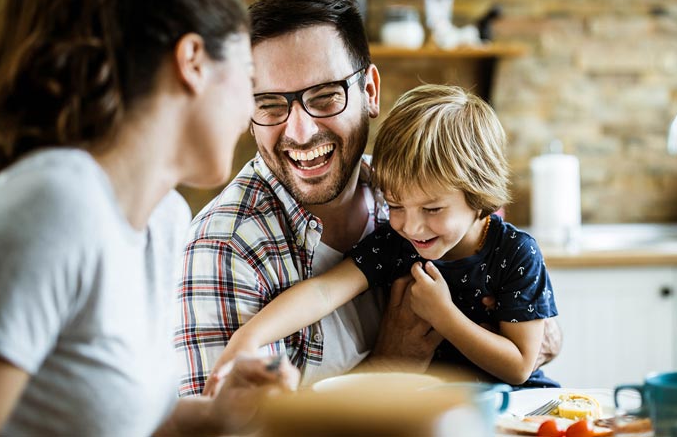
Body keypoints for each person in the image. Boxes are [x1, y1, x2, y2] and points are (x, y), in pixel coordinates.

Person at [176, 0, 562, 396]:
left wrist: (520, 324)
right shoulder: (225, 248)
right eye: (269, 104)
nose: (301, 132)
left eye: (325, 97)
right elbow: (235, 426)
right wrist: (394, 365)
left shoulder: (404, 189)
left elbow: (528, 351)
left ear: (370, 92)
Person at [0, 0, 298, 436]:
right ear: (193, 61)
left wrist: (217, 416)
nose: (250, 107)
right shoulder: (55, 207)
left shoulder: (163, 221)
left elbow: (119, 420)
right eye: (249, 75)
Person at [211, 84, 560, 388]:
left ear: (480, 196)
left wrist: (443, 315)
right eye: (395, 205)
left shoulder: (515, 252)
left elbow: (518, 367)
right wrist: (249, 337)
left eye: (433, 209)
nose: (411, 227)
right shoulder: (396, 245)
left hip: (515, 408)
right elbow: (323, 291)